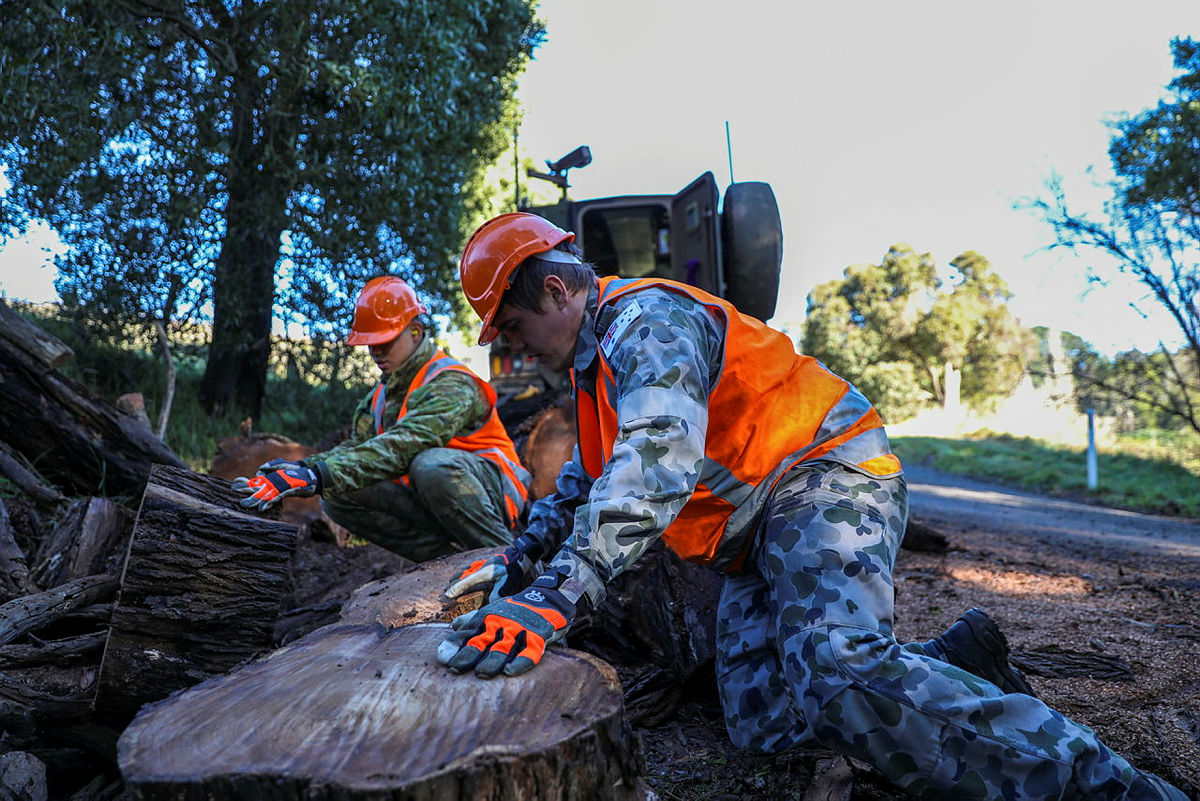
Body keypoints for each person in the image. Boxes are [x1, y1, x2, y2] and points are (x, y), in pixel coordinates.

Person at [436, 212, 1187, 800]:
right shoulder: (595, 367)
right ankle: (954, 662)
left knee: (837, 673)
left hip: (825, 475)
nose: (517, 349)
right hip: (761, 527)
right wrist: (518, 557)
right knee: (764, 722)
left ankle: (1099, 780)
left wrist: (560, 594)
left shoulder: (646, 323)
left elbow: (656, 459)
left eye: (513, 328)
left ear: (557, 291)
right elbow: (582, 479)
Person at [232, 275, 531, 563]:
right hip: (437, 495)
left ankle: (509, 561)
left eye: (385, 340)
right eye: (370, 343)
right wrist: (304, 469)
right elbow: (358, 449)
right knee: (337, 494)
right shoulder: (380, 396)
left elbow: (403, 446)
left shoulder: (449, 382)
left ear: (415, 330)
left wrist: (315, 475)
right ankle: (449, 566)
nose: (375, 351)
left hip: (494, 495)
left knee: (430, 466)